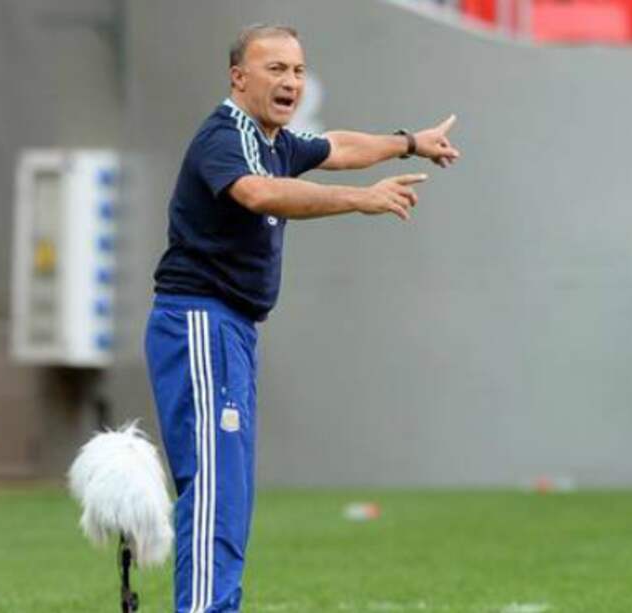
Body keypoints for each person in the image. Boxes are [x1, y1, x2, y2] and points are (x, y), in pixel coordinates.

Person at [144, 23, 460, 613]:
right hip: (200, 323)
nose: (291, 81)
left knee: (229, 493)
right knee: (215, 490)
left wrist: (409, 142)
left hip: (231, 329)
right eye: (275, 69)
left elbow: (335, 146)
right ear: (239, 77)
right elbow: (261, 194)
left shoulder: (274, 140)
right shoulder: (225, 136)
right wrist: (362, 198)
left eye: (297, 70)